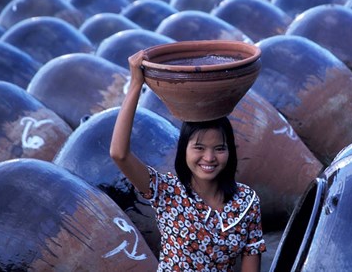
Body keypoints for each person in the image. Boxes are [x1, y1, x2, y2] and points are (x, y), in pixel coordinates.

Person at [110, 50, 266, 271]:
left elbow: (251, 263)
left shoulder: (247, 202)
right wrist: (136, 83)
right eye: (199, 148)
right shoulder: (167, 192)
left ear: (230, 152)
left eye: (219, 148)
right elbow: (119, 154)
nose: (209, 158)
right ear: (184, 150)